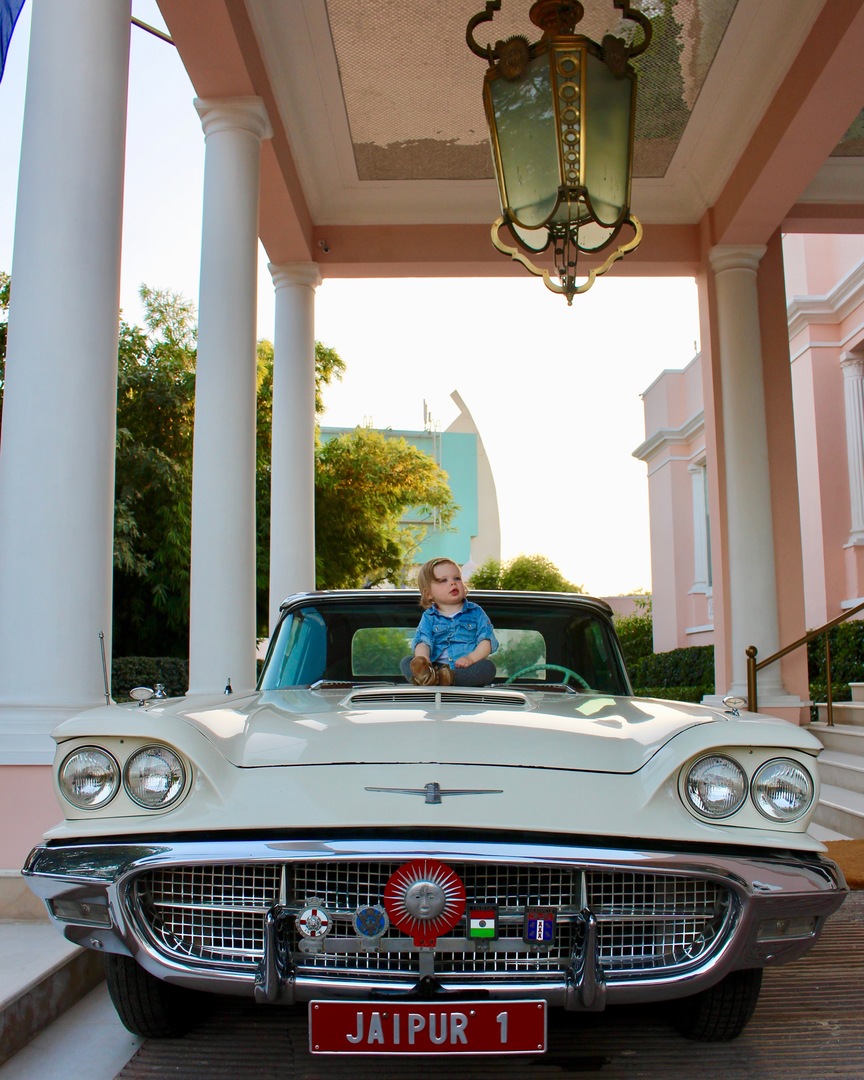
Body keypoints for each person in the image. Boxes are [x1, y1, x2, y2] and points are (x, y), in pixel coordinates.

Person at [401, 557, 497, 686]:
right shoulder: (429, 617)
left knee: (487, 667)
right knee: (407, 662)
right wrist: (423, 659)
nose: (453, 583)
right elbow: (423, 641)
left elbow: (486, 641)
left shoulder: (476, 612)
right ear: (428, 594)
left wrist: (471, 658)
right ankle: (429, 676)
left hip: (465, 669)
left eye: (457, 578)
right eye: (443, 580)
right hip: (434, 667)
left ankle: (446, 679)